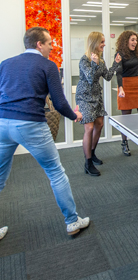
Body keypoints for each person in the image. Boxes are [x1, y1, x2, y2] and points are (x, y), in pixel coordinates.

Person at [0, 27, 90, 237]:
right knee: (55, 172)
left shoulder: (5, 64)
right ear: (39, 44)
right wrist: (74, 115)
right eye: (49, 43)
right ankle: (72, 221)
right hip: (30, 124)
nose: (52, 46)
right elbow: (59, 102)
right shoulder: (48, 66)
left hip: (3, 124)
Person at [76, 32, 121, 176]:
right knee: (89, 127)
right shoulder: (84, 59)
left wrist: (115, 64)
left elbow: (107, 77)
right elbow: (89, 78)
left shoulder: (100, 61)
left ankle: (92, 153)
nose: (104, 44)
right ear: (94, 43)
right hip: (84, 96)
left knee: (99, 125)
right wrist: (94, 64)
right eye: (102, 42)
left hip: (96, 96)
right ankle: (87, 162)